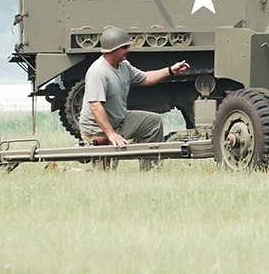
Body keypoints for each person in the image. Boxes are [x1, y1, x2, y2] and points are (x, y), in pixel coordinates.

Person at [78, 27, 190, 169]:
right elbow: (95, 106)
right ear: (112, 50)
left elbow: (146, 78)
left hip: (119, 121)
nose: (128, 50)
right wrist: (111, 134)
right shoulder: (98, 72)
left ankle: (150, 170)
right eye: (124, 47)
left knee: (153, 123)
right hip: (97, 131)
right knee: (103, 174)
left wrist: (170, 71)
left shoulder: (124, 65)